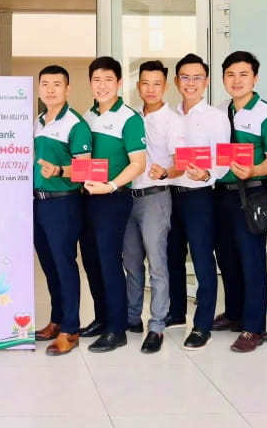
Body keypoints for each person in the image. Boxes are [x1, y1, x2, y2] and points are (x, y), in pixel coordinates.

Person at [212, 51, 267, 353]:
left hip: (252, 193)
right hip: (221, 193)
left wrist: (253, 170)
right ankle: (234, 314)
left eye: (244, 74)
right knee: (226, 257)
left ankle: (253, 327)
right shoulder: (218, 112)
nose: (237, 80)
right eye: (230, 74)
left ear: (255, 78)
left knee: (252, 260)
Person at [81, 56, 147, 353]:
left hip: (112, 198)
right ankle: (102, 318)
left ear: (119, 83)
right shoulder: (87, 116)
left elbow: (138, 164)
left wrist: (111, 185)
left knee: (109, 261)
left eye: (108, 79)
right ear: (90, 83)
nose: (102, 85)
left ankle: (117, 328)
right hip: (87, 198)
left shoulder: (129, 118)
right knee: (91, 260)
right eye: (97, 80)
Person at [166, 53, 229, 350]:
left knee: (203, 259)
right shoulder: (169, 115)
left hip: (200, 196)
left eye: (197, 77)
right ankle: (176, 312)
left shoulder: (215, 117)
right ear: (176, 81)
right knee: (172, 255)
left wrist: (206, 174)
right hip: (170, 194)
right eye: (185, 77)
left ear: (206, 82)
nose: (190, 83)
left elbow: (223, 160)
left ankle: (203, 324)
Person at [123, 60, 186, 354]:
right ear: (138, 86)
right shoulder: (131, 117)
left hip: (155, 198)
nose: (150, 89)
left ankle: (157, 325)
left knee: (157, 264)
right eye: (145, 83)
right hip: (127, 198)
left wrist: (165, 173)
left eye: (156, 84)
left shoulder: (173, 121)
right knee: (132, 263)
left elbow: (181, 164)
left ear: (166, 86)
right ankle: (131, 318)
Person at [30, 66, 92, 356]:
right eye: (45, 84)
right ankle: (56, 320)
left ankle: (70, 328)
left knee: (64, 264)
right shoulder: (37, 121)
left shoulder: (75, 124)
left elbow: (85, 168)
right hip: (37, 202)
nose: (50, 89)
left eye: (57, 84)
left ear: (67, 89)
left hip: (63, 203)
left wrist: (58, 170)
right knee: (49, 265)